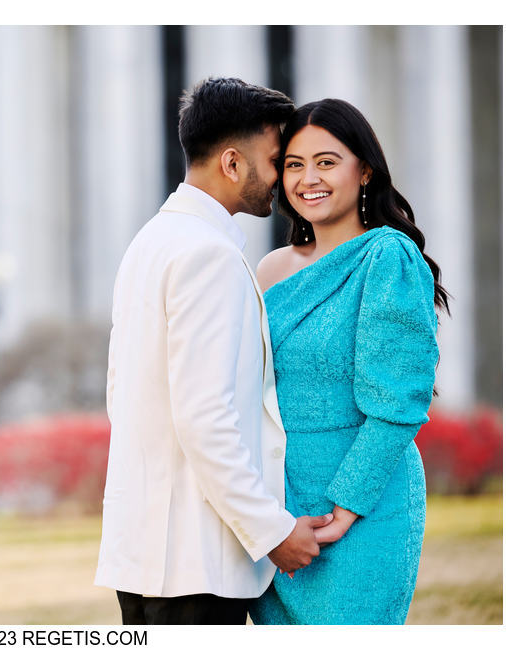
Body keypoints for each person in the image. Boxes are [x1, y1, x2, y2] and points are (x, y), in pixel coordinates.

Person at [94, 77, 334, 626]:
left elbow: (120, 394)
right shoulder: (210, 257)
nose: (284, 178)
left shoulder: (151, 242)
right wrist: (272, 531)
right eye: (277, 161)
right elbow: (205, 417)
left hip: (148, 556)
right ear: (232, 163)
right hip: (194, 564)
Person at [249, 98, 447, 625]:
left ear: (364, 171)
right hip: (280, 509)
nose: (308, 178)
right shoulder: (270, 269)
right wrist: (263, 517)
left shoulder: (388, 257)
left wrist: (348, 504)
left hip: (364, 506)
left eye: (326, 161)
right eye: (294, 164)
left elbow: (400, 401)